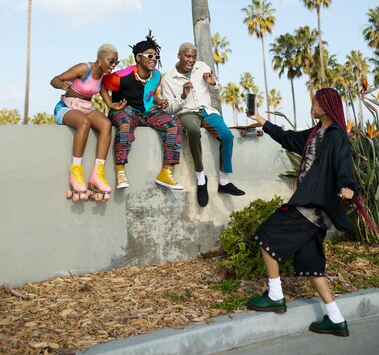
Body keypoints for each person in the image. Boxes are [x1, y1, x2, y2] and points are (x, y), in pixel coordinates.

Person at [246, 87, 361, 338]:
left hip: (312, 205)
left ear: (327, 105)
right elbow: (287, 138)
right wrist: (259, 119)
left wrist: (348, 187)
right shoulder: (313, 134)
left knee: (266, 235)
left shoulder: (336, 136)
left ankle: (276, 295)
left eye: (316, 102)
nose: (312, 106)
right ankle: (336, 319)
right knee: (312, 266)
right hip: (313, 208)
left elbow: (344, 165)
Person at [161, 42, 245, 207]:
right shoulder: (168, 79)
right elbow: (170, 110)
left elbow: (215, 91)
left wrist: (212, 83)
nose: (191, 60)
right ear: (179, 56)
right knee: (193, 131)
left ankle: (224, 181)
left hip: (207, 110)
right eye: (187, 56)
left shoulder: (202, 67)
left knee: (227, 135)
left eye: (193, 56)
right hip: (186, 112)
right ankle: (201, 179)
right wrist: (183, 96)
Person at [101, 31, 183, 191]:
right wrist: (110, 104)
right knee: (124, 124)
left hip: (147, 112)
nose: (154, 60)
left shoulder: (156, 75)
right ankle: (120, 171)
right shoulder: (121, 77)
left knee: (173, 125)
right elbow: (103, 85)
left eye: (156, 57)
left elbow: (153, 93)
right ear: (138, 58)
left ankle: (166, 172)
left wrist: (159, 101)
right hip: (126, 110)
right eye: (150, 56)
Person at [51, 44, 125, 201]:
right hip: (66, 107)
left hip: (85, 108)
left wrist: (111, 105)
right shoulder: (84, 69)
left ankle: (97, 174)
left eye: (116, 63)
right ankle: (75, 171)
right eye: (111, 61)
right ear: (100, 59)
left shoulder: (103, 76)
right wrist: (62, 85)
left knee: (106, 124)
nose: (113, 66)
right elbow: (54, 80)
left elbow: (103, 90)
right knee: (83, 123)